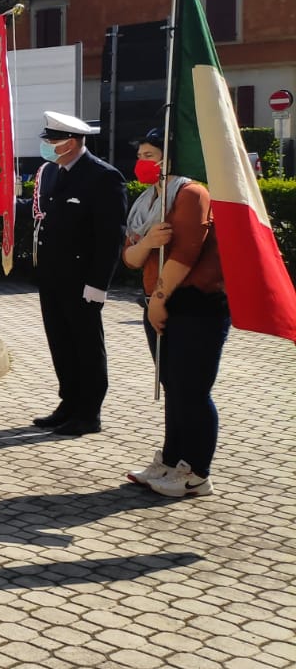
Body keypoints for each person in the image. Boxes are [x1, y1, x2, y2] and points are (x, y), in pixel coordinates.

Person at [120, 129, 227, 498]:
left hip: (196, 307)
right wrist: (149, 242)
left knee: (192, 390)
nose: (142, 163)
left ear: (170, 158)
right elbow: (131, 257)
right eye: (141, 155)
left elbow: (185, 253)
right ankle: (170, 460)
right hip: (160, 302)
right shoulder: (148, 200)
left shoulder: (192, 194)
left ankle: (196, 472)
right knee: (173, 387)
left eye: (150, 155)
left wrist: (160, 298)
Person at [27, 111, 128, 436]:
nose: (47, 145)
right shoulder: (53, 172)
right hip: (53, 277)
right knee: (61, 343)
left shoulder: (103, 177)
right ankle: (68, 403)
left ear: (70, 143)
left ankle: (89, 412)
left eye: (52, 140)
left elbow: (110, 236)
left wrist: (98, 284)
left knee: (86, 346)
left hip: (82, 281)